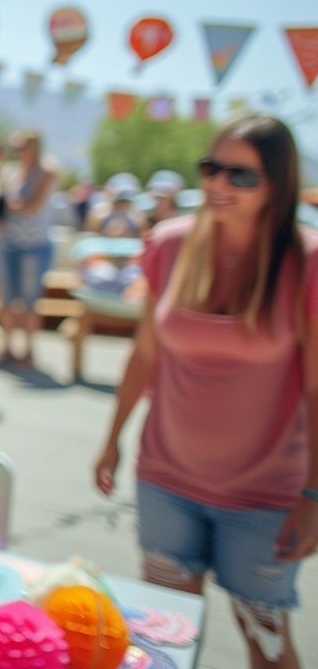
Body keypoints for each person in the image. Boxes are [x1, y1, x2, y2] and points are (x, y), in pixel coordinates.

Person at [93, 116, 318, 669]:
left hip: (265, 498)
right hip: (166, 481)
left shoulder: (306, 262)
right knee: (165, 643)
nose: (218, 184)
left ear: (279, 185)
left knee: (266, 648)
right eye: (211, 168)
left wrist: (314, 498)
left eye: (241, 175)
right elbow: (145, 353)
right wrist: (112, 439)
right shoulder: (171, 245)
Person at [0, 129, 56, 363]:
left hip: (34, 244)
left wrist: (9, 205)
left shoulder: (46, 171)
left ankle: (29, 350)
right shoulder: (11, 172)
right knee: (6, 298)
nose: (19, 152)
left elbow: (32, 206)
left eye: (23, 146)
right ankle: (7, 346)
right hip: (9, 242)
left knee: (30, 299)